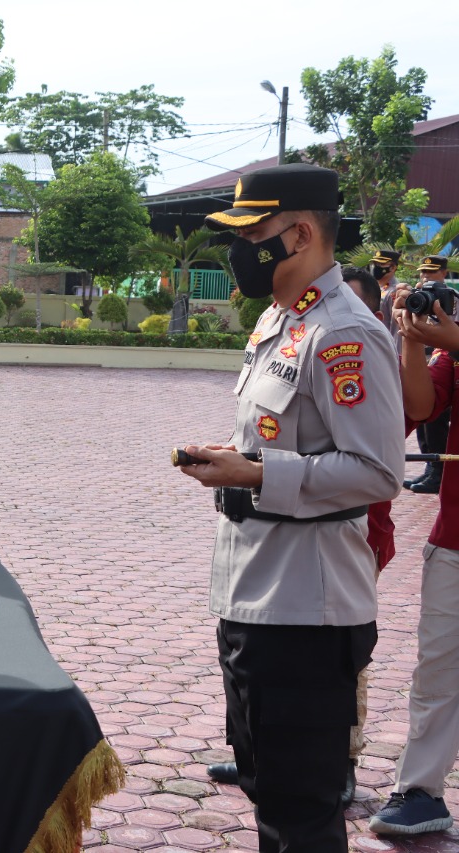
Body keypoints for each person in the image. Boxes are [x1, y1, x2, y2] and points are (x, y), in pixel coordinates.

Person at [178, 163, 404, 852]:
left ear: (300, 232)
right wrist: (240, 457)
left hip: (306, 609)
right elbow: (291, 442)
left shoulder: (345, 333)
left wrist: (254, 470)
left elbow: (376, 469)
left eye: (253, 234)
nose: (239, 250)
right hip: (258, 592)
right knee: (269, 792)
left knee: (300, 812)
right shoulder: (282, 317)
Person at [369, 272, 459, 836]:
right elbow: (422, 408)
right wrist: (411, 339)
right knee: (437, 670)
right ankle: (420, 790)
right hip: (454, 536)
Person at [403, 255, 453, 494]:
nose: (426, 277)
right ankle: (434, 467)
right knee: (430, 423)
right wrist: (411, 335)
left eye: (431, 272)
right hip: (438, 356)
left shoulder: (451, 300)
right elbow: (421, 409)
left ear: (444, 273)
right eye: (423, 273)